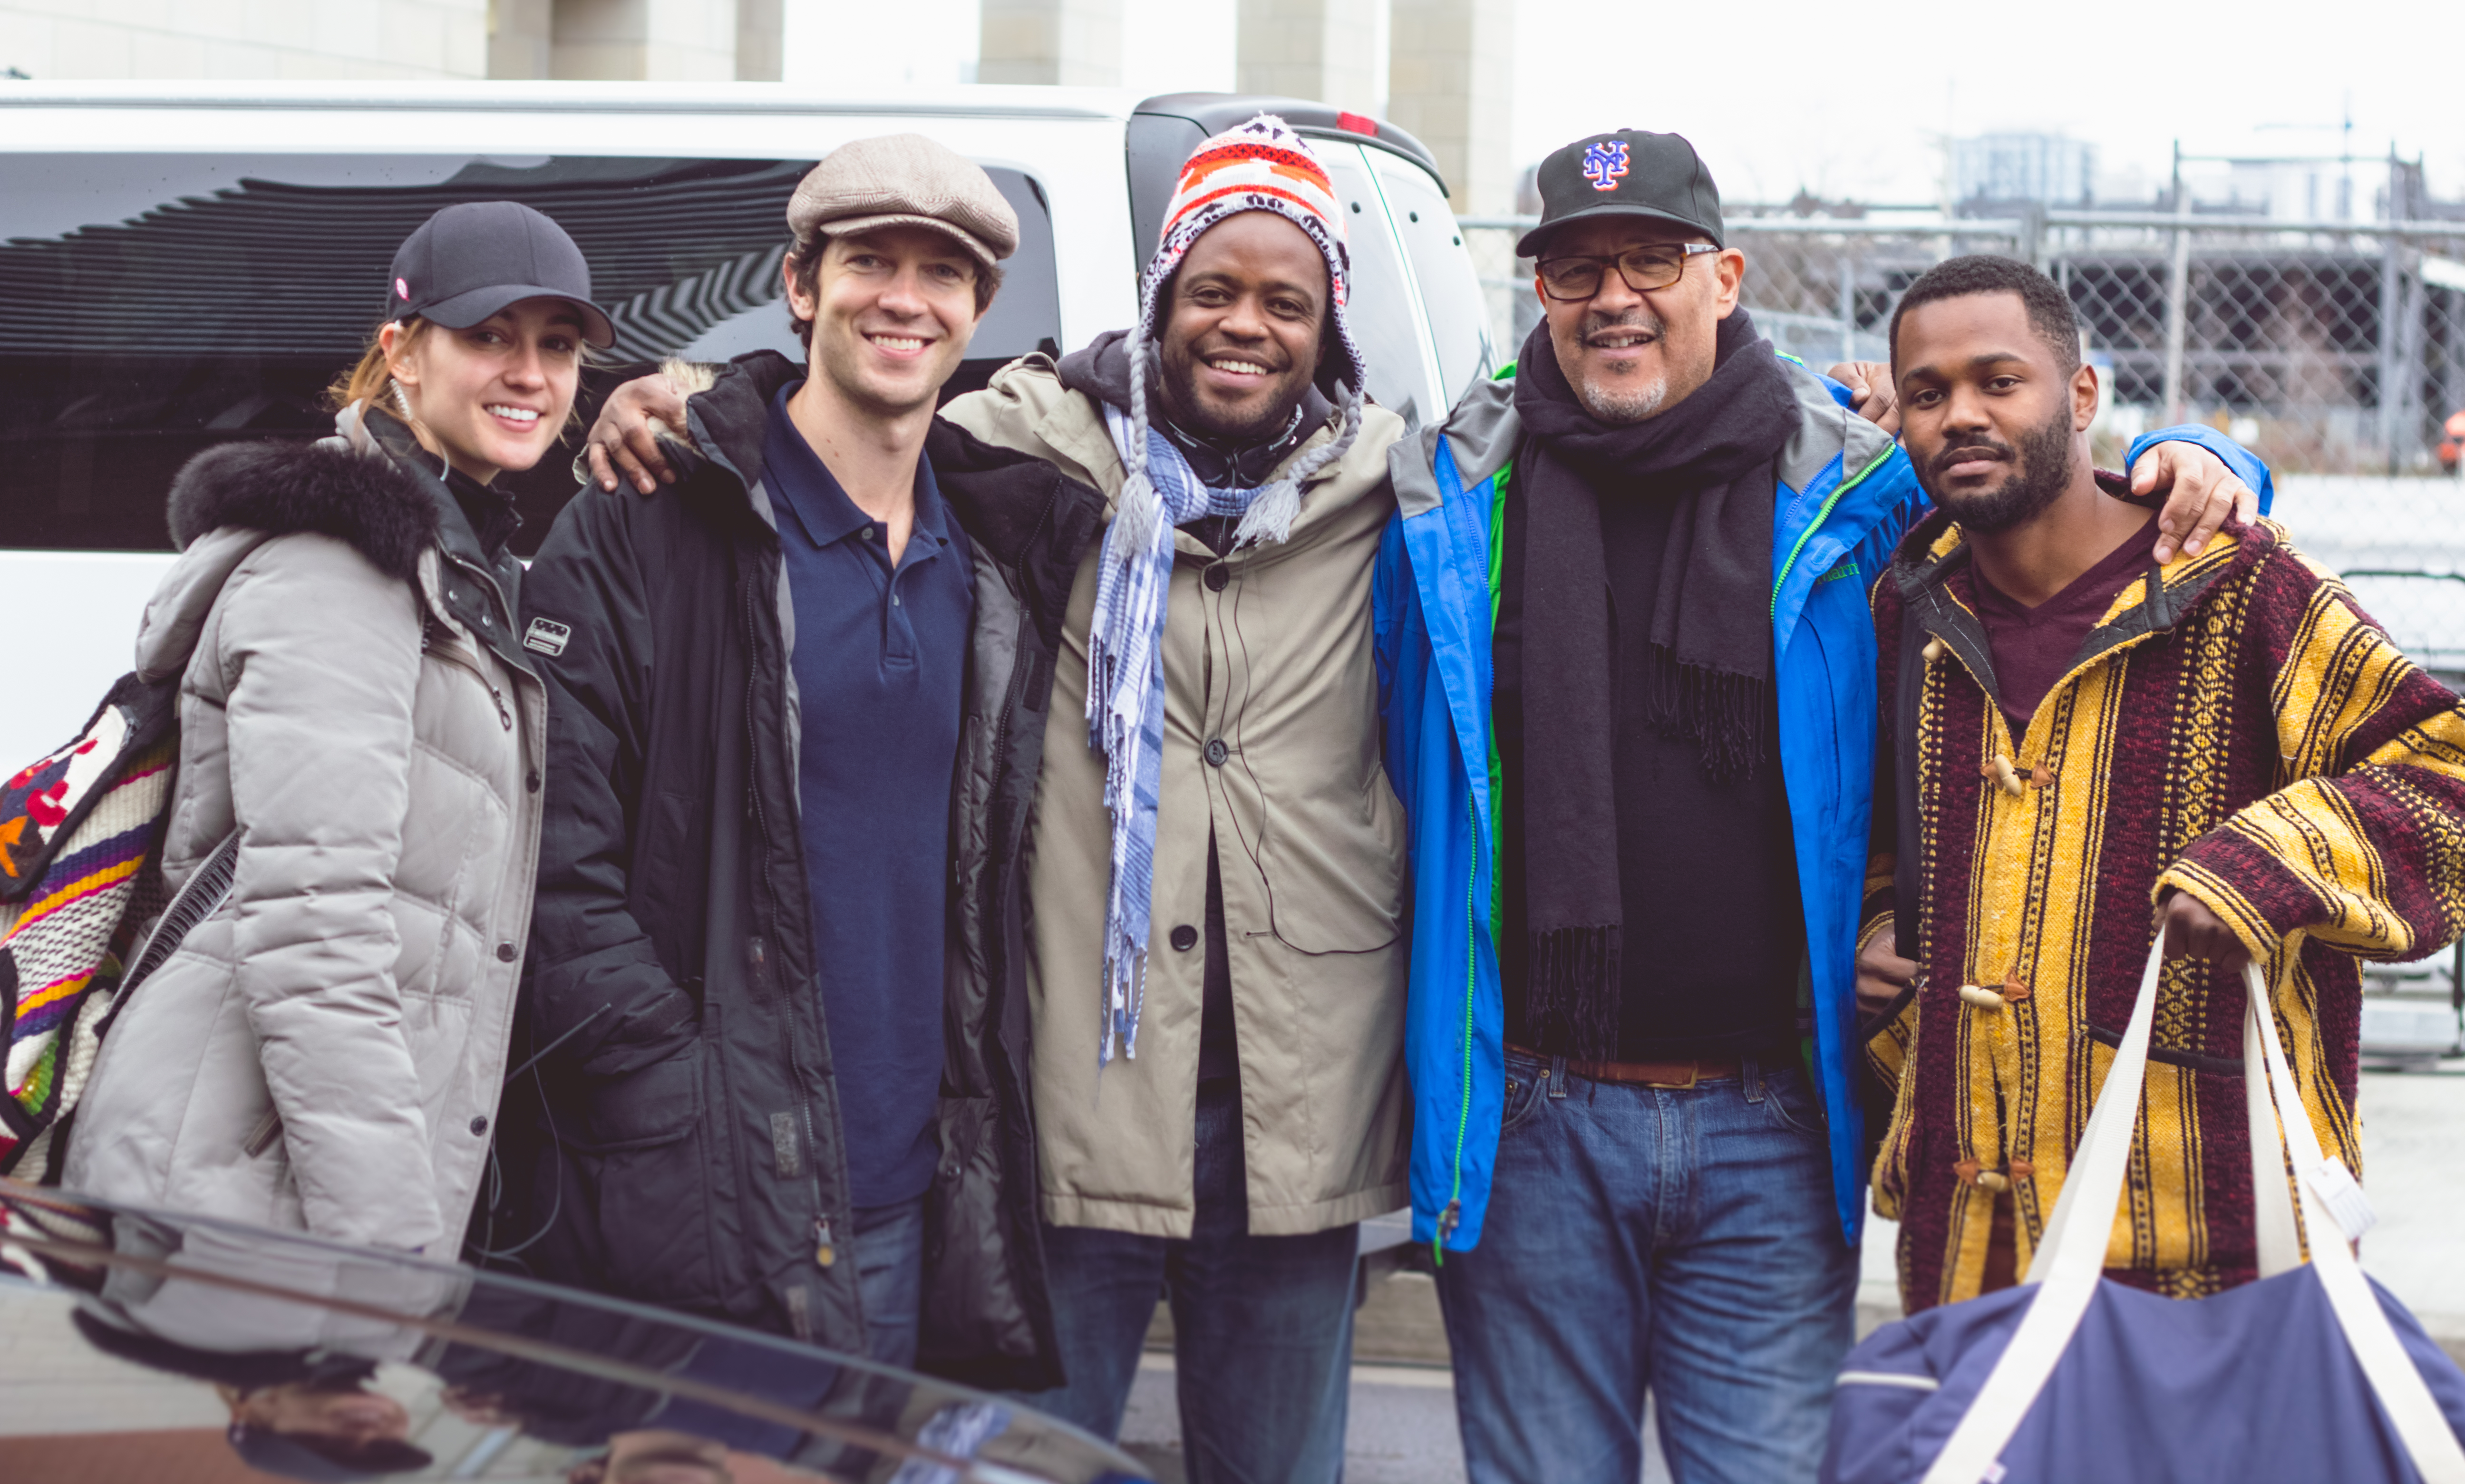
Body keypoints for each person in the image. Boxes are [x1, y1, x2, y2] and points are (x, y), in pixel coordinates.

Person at [1369, 132, 2271, 1483]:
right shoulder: (1449, 504)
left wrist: (2200, 458)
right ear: (1538, 291)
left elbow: (2050, 492)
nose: (1614, 296)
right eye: (1574, 267)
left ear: (1723, 277)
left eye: (1652, 260)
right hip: (1531, 1119)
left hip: (1774, 1125)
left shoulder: (1860, 493)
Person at [580, 114, 1411, 1481]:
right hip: (1067, 1101)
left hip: (1296, 1109)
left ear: (1328, 325)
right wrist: (670, 397)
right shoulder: (1029, 446)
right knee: (1018, 1461)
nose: (1244, 326)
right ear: (1159, 303)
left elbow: (1577, 443)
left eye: (1284, 301)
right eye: (1211, 290)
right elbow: (831, 415)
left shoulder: (1397, 483)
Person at [495, 134, 1074, 1382]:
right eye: (870, 261)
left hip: (916, 1199)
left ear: (977, 311)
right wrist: (680, 1102)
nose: (905, 297)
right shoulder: (648, 513)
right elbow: (546, 861)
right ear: (802, 286)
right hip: (707, 1199)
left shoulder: (1003, 554)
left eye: (942, 272)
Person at [1854, 253, 2465, 1309]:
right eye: (1928, 392)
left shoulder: (2244, 588)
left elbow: (2442, 772)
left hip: (2219, 1238)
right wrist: (1876, 942)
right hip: (1971, 1244)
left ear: (2083, 395)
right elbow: (1872, 837)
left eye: (2000, 381)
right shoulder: (1905, 609)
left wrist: (2268, 862)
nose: (1960, 414)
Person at [64, 200, 591, 1261]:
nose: (529, 373)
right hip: (243, 1182)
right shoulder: (340, 569)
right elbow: (315, 922)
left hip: (302, 1169)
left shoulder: (458, 564)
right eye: (489, 336)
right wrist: (388, 1243)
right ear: (401, 354)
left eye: (558, 345)